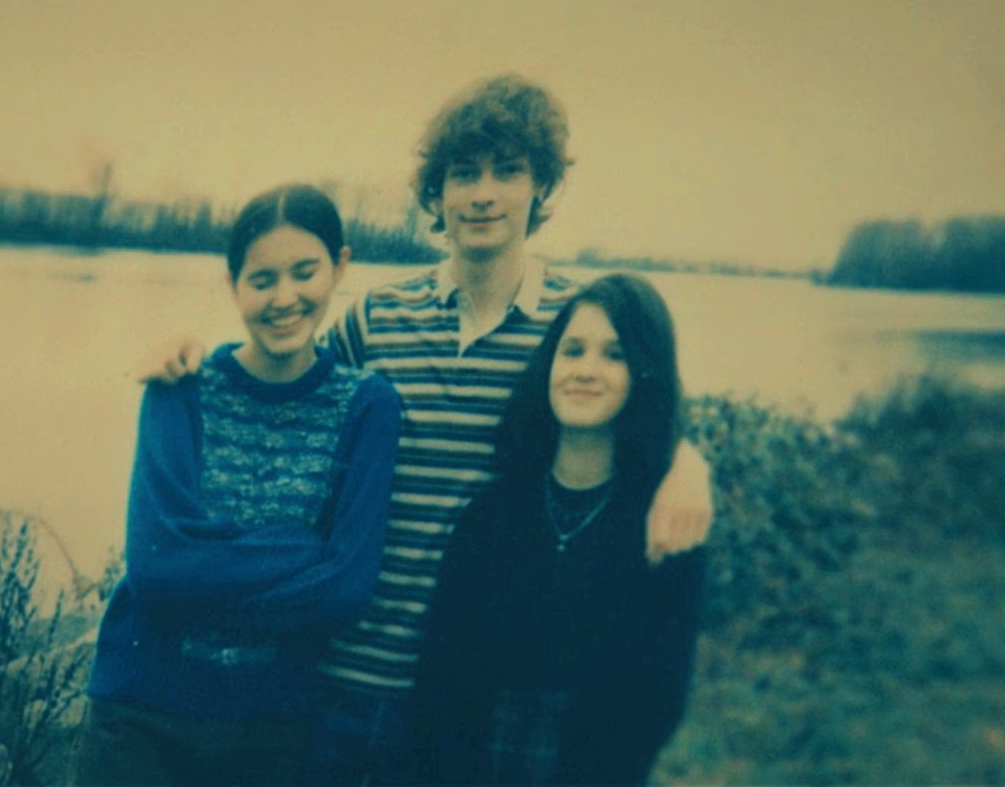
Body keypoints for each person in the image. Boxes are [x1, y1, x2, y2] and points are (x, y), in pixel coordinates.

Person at [143, 74, 713, 783]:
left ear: (540, 189)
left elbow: (641, 401)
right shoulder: (379, 318)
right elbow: (284, 372)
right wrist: (191, 358)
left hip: (461, 692)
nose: (482, 193)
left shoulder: (571, 327)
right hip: (331, 674)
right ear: (436, 195)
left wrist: (689, 463)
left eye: (508, 171)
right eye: (463, 174)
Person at [75, 184, 402, 785]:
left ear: (341, 268)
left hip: (272, 727)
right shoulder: (180, 390)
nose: (285, 299)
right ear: (232, 287)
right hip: (142, 715)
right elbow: (156, 573)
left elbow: (348, 588)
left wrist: (210, 560)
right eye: (261, 280)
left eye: (305, 273)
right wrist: (300, 548)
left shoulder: (368, 407)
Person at [414, 274, 704, 785]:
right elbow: (440, 683)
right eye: (572, 350)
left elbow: (657, 703)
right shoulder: (491, 513)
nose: (586, 371)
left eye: (614, 355)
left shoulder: (662, 525)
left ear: (645, 373)